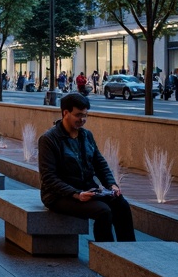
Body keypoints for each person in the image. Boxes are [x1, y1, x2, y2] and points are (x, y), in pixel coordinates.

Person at [38, 92, 135, 243]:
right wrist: (76, 194)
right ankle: (106, 255)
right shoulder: (49, 139)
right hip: (58, 196)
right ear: (65, 113)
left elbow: (100, 163)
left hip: (87, 190)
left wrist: (112, 184)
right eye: (78, 115)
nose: (82, 120)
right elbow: (48, 178)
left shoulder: (86, 135)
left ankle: (129, 252)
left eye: (85, 115)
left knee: (121, 205)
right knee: (104, 211)